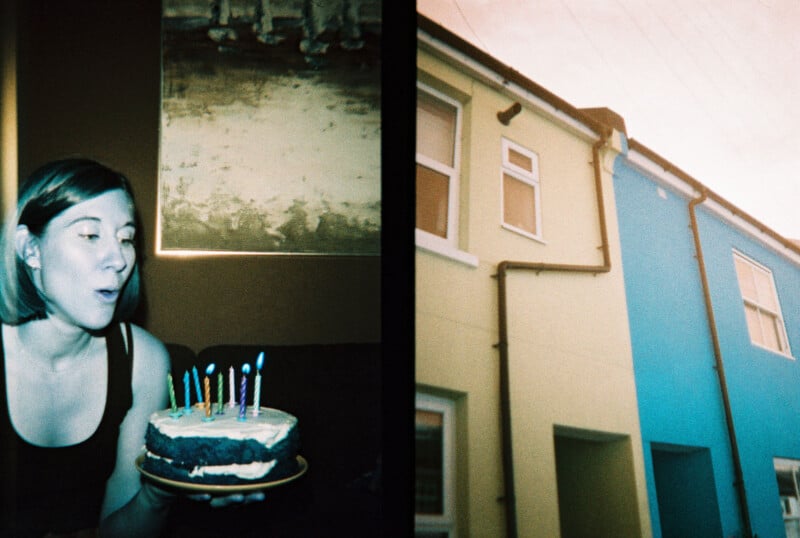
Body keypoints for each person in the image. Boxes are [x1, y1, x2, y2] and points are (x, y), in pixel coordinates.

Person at [0, 158, 173, 537]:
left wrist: (157, 494)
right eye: (90, 235)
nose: (119, 260)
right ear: (31, 249)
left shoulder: (145, 362)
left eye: (125, 238)